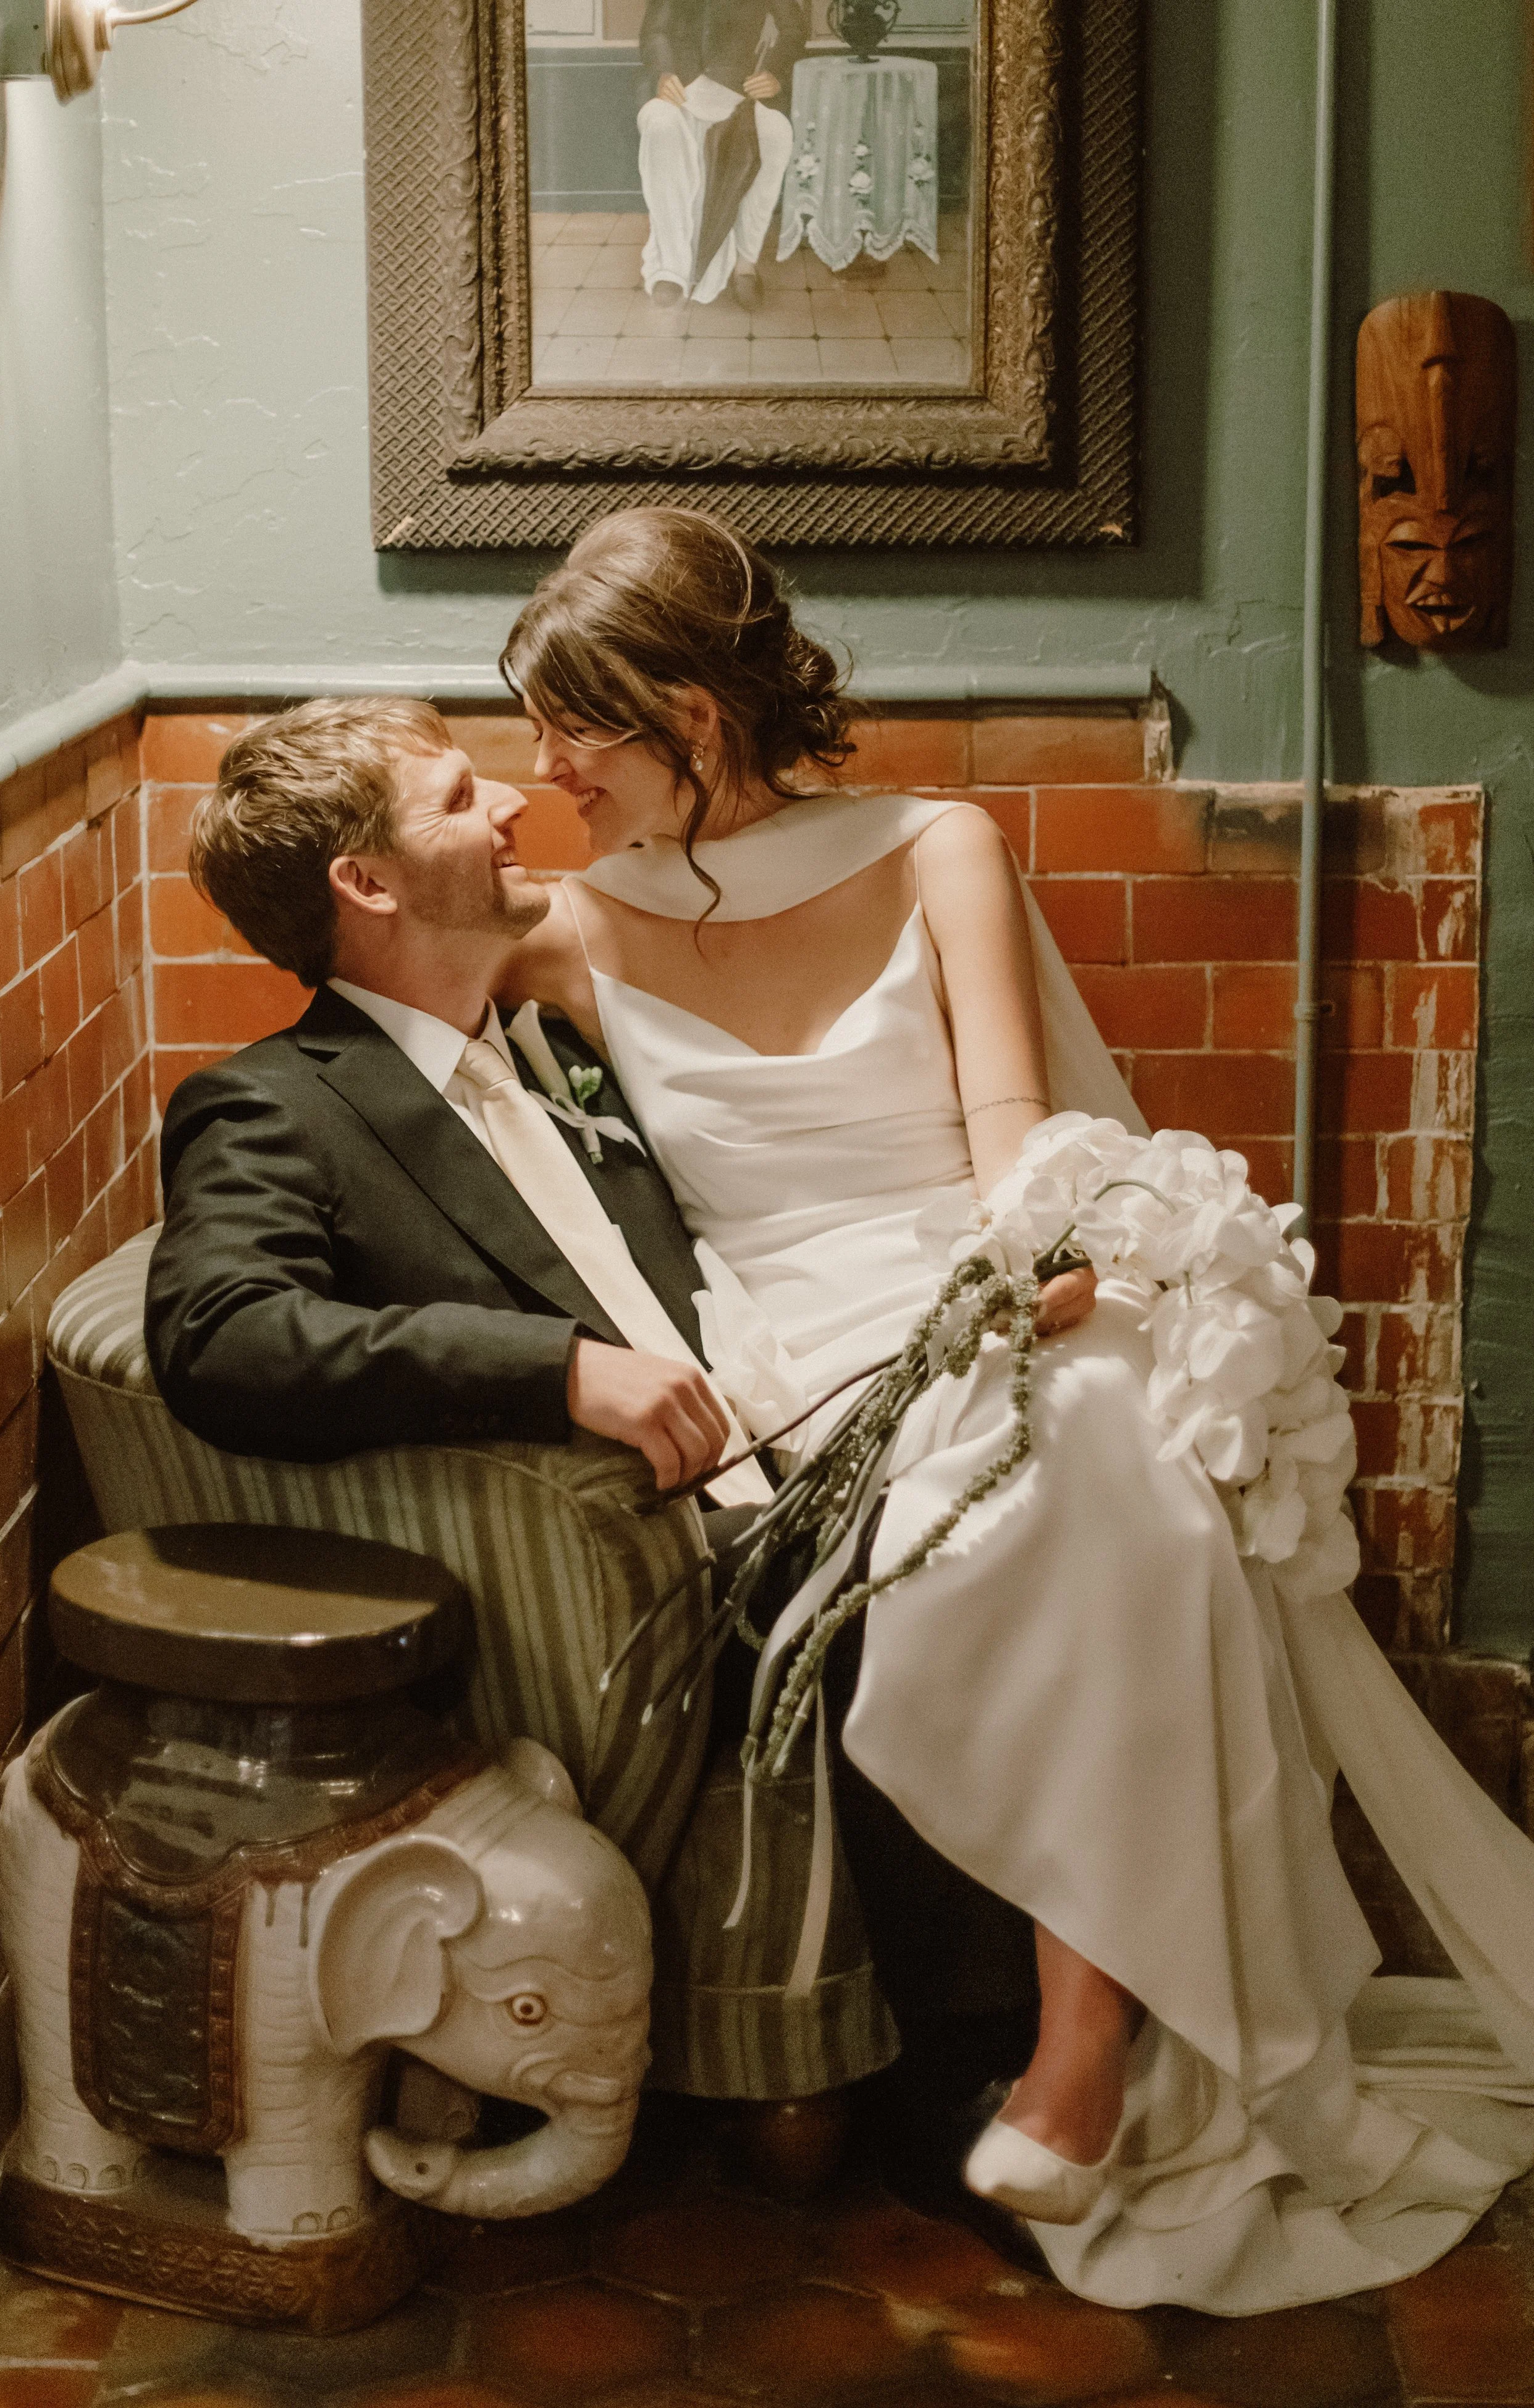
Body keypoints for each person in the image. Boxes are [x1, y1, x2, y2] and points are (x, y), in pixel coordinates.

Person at [494, 504, 1534, 2315]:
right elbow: (377, 1024)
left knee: (1124, 1449)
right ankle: (1080, 2030)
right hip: (792, 1334)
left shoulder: (936, 846)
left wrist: (1027, 1267)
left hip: (976, 1266)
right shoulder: (569, 925)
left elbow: (1009, 1135)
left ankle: (1080, 2042)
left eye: (568, 727)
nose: (541, 769)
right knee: (974, 1525)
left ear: (688, 714)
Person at [141, 695, 1095, 2144]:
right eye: (457, 797)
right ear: (367, 881)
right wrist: (559, 1369)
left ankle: (1098, 2017)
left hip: (789, 1425)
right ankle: (956, 2083)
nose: (512, 805)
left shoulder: (546, 1035)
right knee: (945, 1561)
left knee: (1065, 1475)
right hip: (651, 1556)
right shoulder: (276, 1104)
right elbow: (218, 1334)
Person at [636, 0, 807, 309]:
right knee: (660, 124)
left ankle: (745, 264)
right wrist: (663, 72)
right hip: (679, 90)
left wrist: (773, 73)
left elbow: (794, 28)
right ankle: (672, 269)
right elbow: (655, 31)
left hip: (740, 91)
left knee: (776, 134)